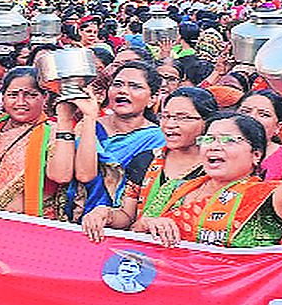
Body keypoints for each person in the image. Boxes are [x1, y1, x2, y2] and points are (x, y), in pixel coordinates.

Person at [133, 102, 282, 248]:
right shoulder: (174, 189)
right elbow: (135, 232)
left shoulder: (264, 199)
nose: (214, 146)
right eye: (208, 139)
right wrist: (149, 223)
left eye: (228, 140)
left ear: (256, 155)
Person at [82, 87, 215, 239]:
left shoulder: (217, 168)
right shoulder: (146, 160)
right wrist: (106, 213)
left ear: (207, 123)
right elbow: (127, 216)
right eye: (165, 116)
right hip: (143, 249)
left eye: (183, 118)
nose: (170, 124)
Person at [0, 67, 69, 218]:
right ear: (3, 97)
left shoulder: (55, 133)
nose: (21, 102)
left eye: (30, 95)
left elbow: (61, 176)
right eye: (13, 95)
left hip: (27, 223)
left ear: (45, 97)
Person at [75, 62, 166, 216]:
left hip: (125, 219)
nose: (123, 91)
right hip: (76, 216)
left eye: (135, 86)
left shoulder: (159, 139)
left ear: (152, 98)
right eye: (117, 84)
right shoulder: (88, 125)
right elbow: (83, 175)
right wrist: (89, 118)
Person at [238, 89, 282, 179]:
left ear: (278, 127)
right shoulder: (218, 147)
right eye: (245, 111)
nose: (252, 117)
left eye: (264, 115)